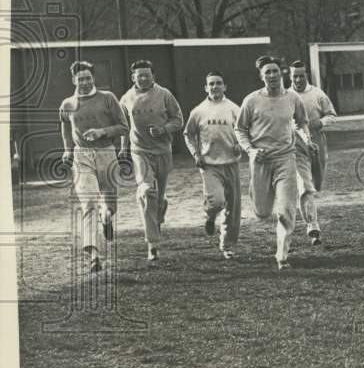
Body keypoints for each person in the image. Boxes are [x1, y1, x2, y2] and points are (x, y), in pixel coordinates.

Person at [236, 55, 316, 271]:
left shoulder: (292, 98)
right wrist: (251, 150)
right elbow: (240, 129)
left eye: (274, 71)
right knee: (262, 212)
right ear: (261, 76)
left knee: (285, 210)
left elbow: (301, 123)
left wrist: (307, 140)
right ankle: (263, 208)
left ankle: (282, 256)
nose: (272, 75)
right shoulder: (251, 100)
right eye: (267, 72)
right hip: (261, 161)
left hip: (285, 159)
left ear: (281, 73)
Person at [58, 61, 129, 274]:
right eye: (81, 79)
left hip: (106, 153)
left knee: (109, 207)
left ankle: (107, 219)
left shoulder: (108, 98)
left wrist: (102, 132)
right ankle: (94, 256)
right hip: (82, 157)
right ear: (74, 81)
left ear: (93, 78)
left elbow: (124, 127)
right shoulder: (67, 104)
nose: (85, 82)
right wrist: (67, 150)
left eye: (88, 78)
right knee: (88, 203)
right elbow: (64, 124)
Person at [119, 60, 184, 264]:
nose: (144, 78)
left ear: (153, 75)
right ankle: (152, 245)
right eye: (140, 75)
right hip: (140, 151)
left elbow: (178, 120)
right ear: (133, 78)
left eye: (147, 74)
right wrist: (123, 148)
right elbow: (124, 126)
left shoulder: (165, 94)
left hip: (163, 151)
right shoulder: (126, 98)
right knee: (147, 191)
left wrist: (163, 129)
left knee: (159, 198)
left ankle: (160, 210)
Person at [183, 71, 243, 260]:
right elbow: (188, 134)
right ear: (206, 87)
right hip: (209, 165)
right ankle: (210, 217)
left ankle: (227, 245)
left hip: (231, 163)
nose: (215, 86)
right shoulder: (198, 111)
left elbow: (245, 130)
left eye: (219, 83)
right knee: (216, 201)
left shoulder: (234, 108)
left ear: (225, 87)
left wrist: (239, 144)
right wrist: (195, 153)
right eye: (211, 84)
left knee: (233, 208)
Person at [288, 60, 337, 246]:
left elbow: (332, 115)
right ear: (290, 77)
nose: (298, 79)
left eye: (301, 75)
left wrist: (321, 123)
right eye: (295, 76)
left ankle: (310, 216)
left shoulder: (317, 94)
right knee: (305, 187)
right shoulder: (286, 96)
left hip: (317, 143)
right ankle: (313, 227)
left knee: (316, 184)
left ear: (306, 75)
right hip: (296, 145)